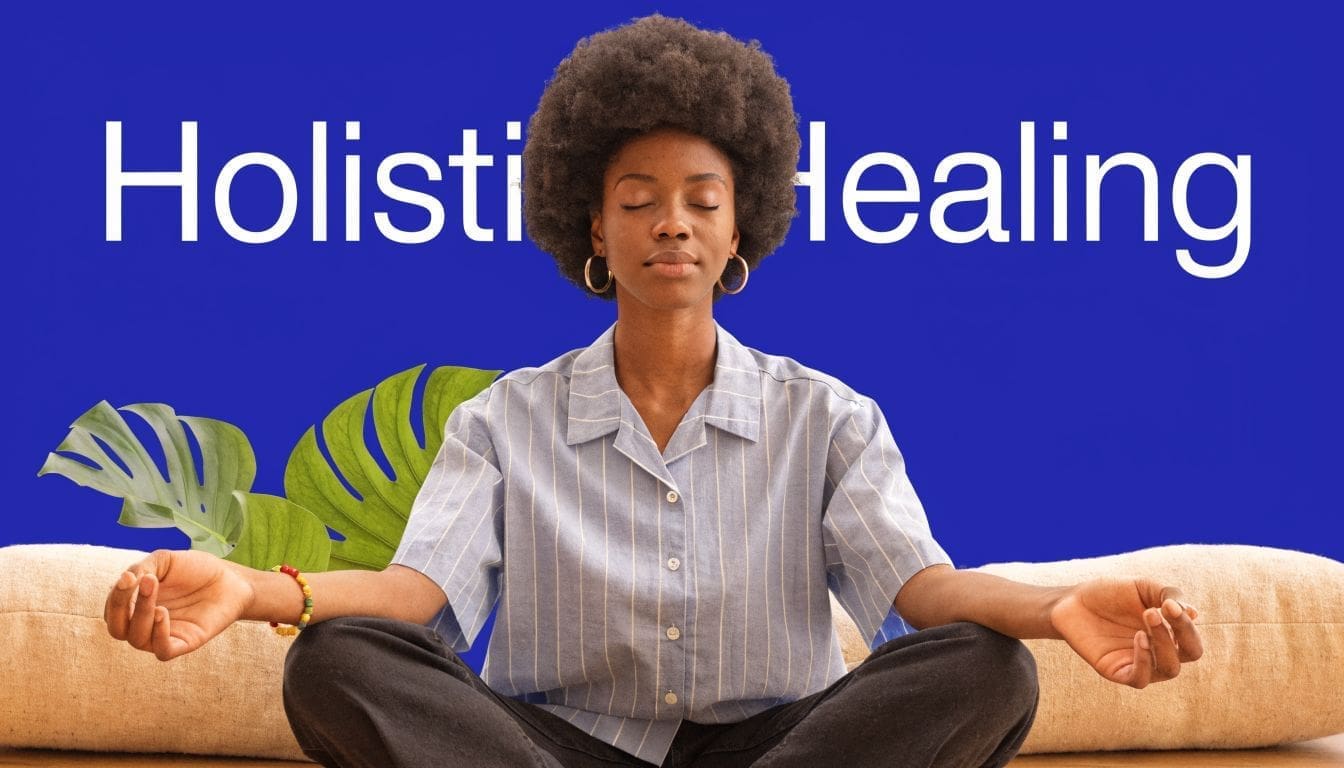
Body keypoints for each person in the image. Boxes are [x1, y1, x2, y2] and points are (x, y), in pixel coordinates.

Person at [102, 15, 1202, 768]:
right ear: (592, 227)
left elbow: (921, 595)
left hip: (782, 747)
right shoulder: (505, 423)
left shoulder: (829, 418)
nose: (670, 220)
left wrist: (1058, 610)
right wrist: (254, 591)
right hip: (559, 748)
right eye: (637, 198)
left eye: (700, 199)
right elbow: (416, 600)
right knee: (338, 663)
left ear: (740, 228)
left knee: (985, 670)